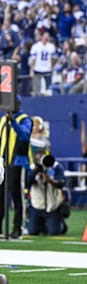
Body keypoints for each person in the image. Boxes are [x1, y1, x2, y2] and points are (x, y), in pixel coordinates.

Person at [0, 97, 32, 239]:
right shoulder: (2, 120)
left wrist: (13, 121)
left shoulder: (25, 120)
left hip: (18, 162)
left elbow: (24, 135)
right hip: (2, 163)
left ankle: (17, 228)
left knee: (17, 197)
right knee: (1, 196)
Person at [26, 148, 68, 236]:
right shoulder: (32, 167)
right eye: (38, 155)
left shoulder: (56, 167)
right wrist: (35, 171)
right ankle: (42, 225)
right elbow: (28, 182)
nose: (39, 157)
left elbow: (61, 184)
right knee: (33, 232)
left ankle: (61, 224)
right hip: (37, 205)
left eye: (42, 155)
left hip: (52, 205)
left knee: (54, 233)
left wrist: (50, 180)